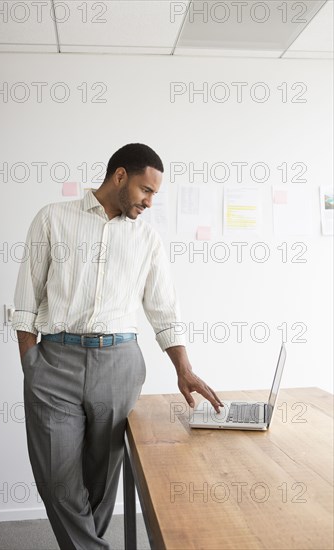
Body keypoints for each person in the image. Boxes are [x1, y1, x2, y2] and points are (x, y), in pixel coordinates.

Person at [12, 143, 223, 550]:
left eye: (155, 195)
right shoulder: (53, 219)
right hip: (54, 361)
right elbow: (25, 302)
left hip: (119, 363)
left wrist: (183, 368)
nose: (149, 202)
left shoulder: (147, 238)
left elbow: (164, 310)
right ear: (120, 176)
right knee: (58, 479)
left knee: (102, 479)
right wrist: (31, 365)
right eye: (146, 190)